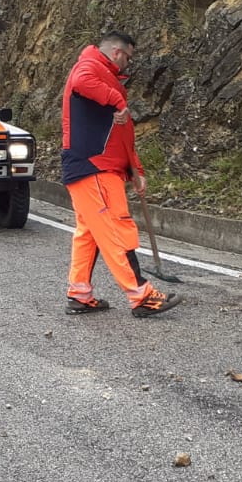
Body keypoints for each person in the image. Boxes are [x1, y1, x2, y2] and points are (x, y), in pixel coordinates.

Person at [60, 30, 181, 318]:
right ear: (117, 52)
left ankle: (80, 294)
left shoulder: (105, 75)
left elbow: (120, 135)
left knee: (89, 234)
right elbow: (81, 81)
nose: (129, 63)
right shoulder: (90, 66)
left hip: (95, 167)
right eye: (128, 57)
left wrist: (135, 171)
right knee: (116, 230)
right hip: (95, 168)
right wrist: (117, 100)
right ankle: (142, 296)